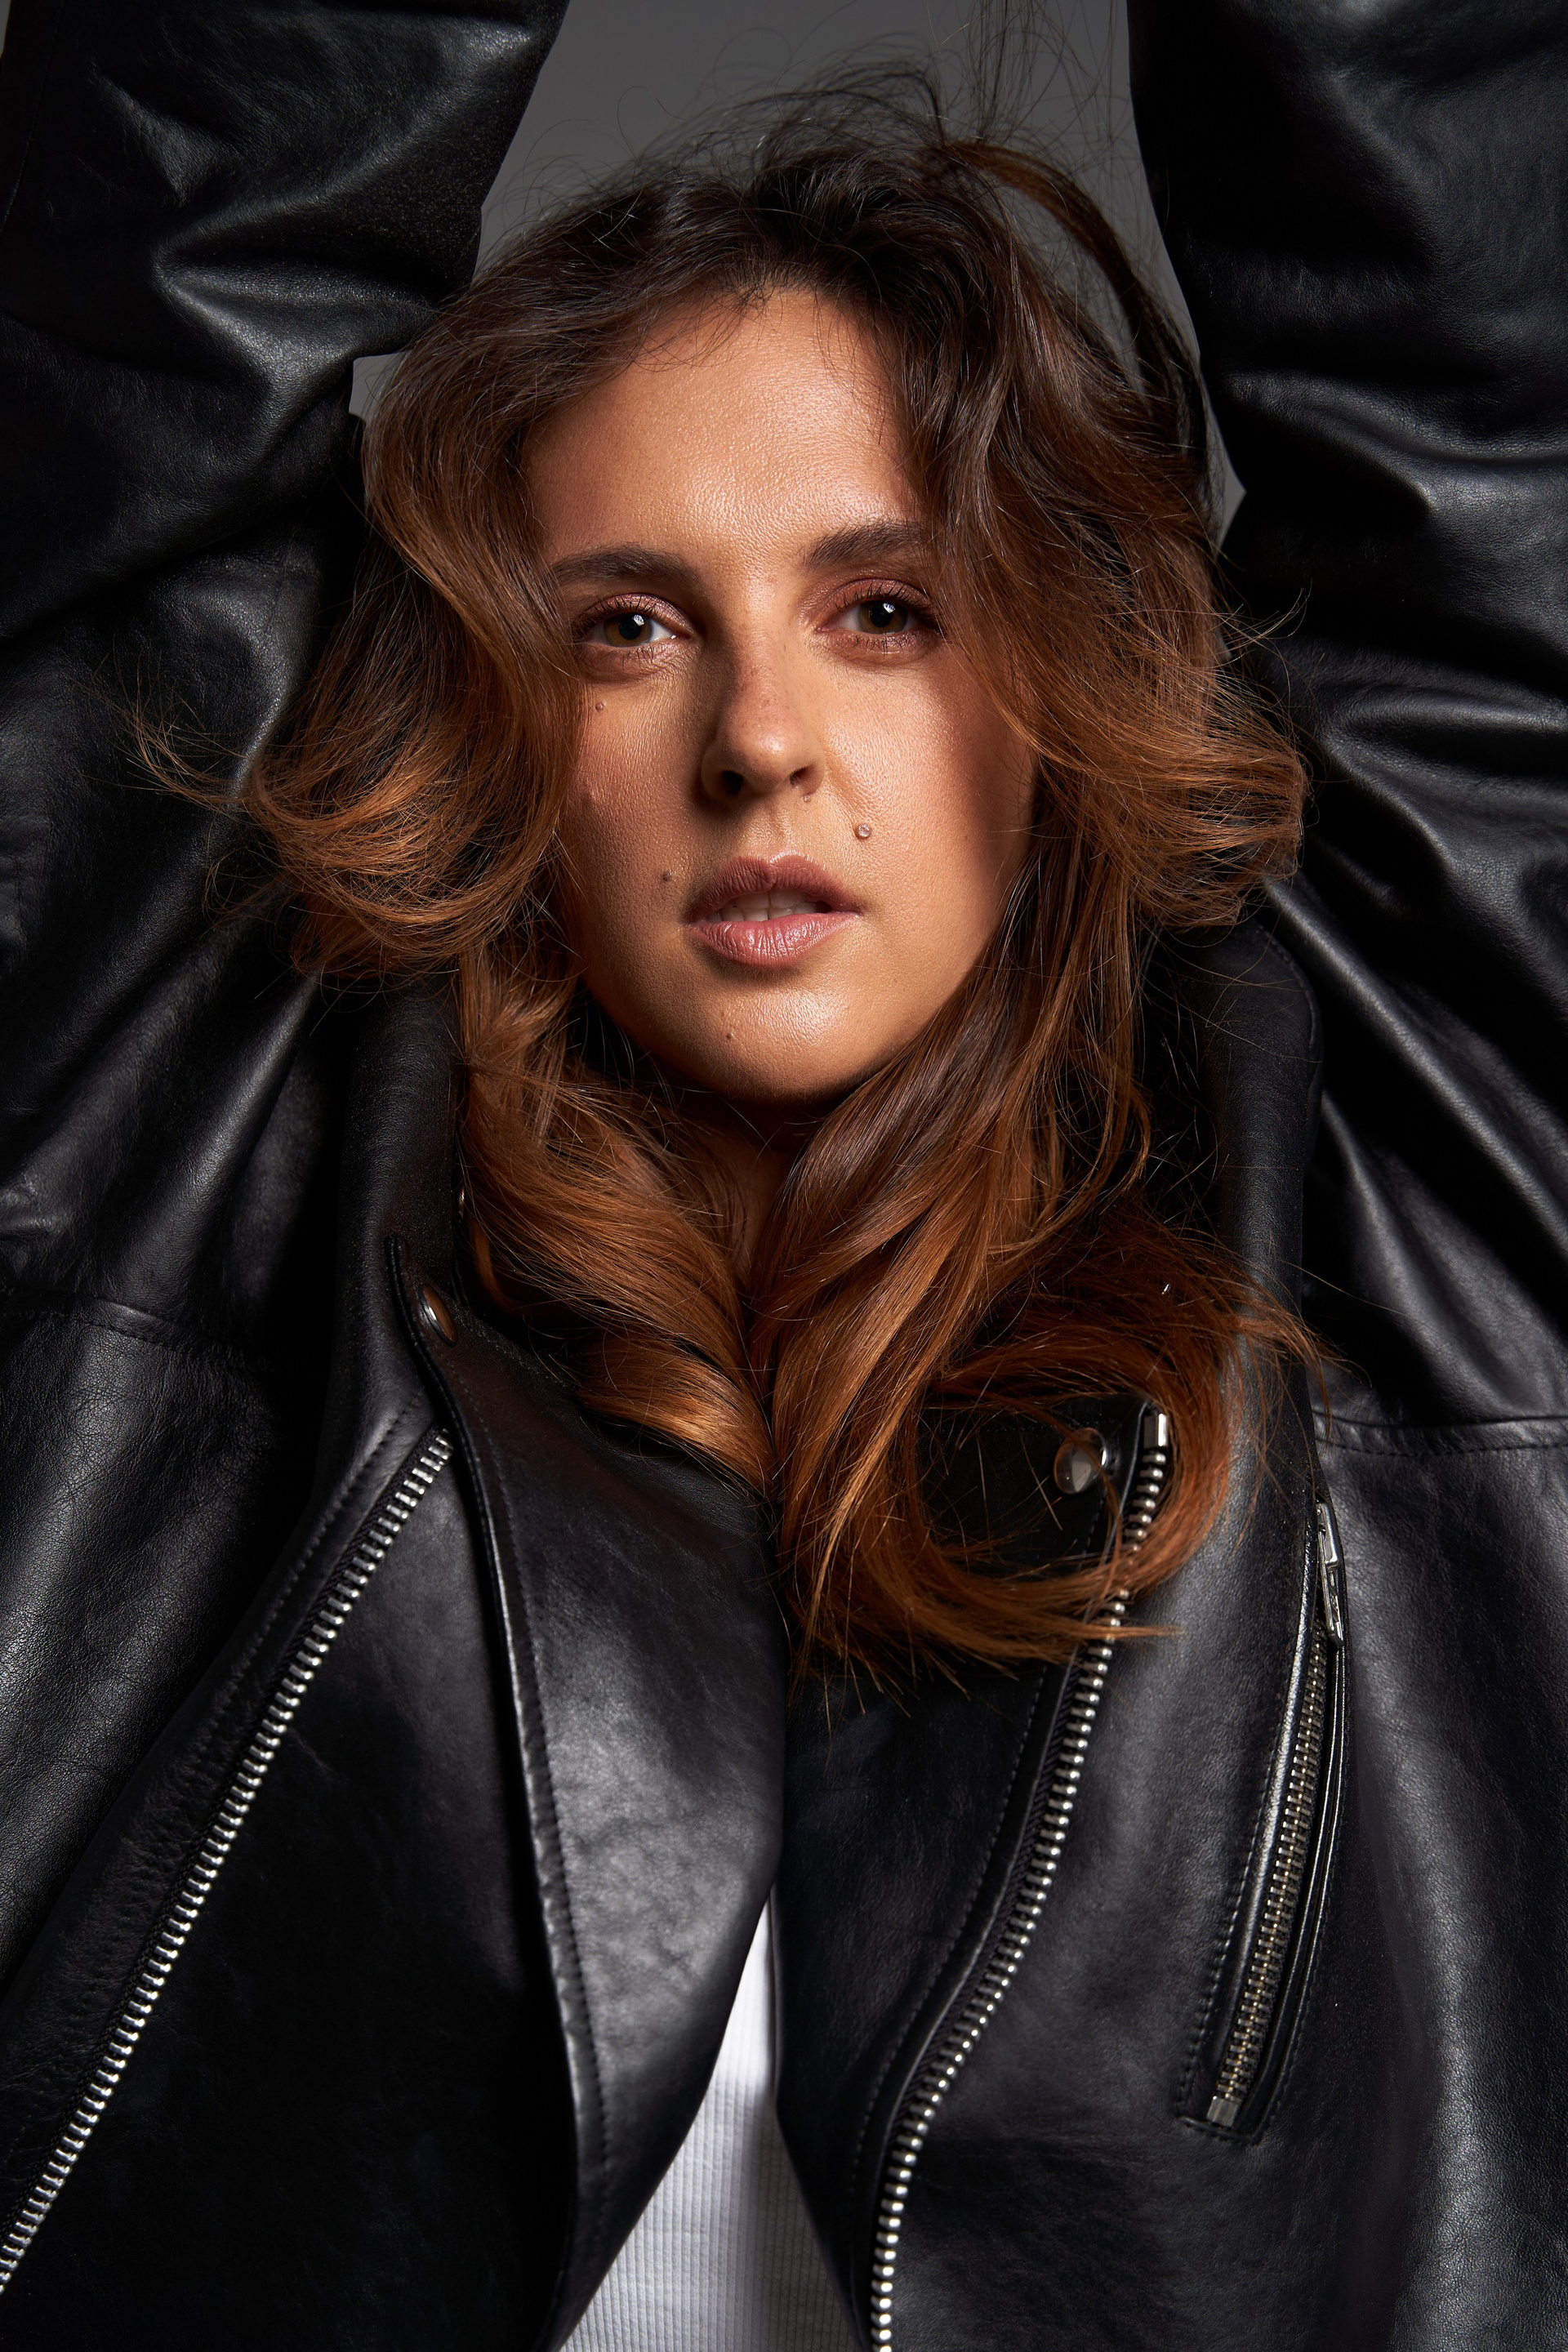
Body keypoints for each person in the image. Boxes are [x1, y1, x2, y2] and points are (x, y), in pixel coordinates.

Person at [0, 2, 1562, 2348]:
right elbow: (171, 281)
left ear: (1058, 685)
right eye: (627, 626)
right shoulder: (202, 1181)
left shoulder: (1396, 1220)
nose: (761, 743)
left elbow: (1473, 406)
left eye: (886, 611)